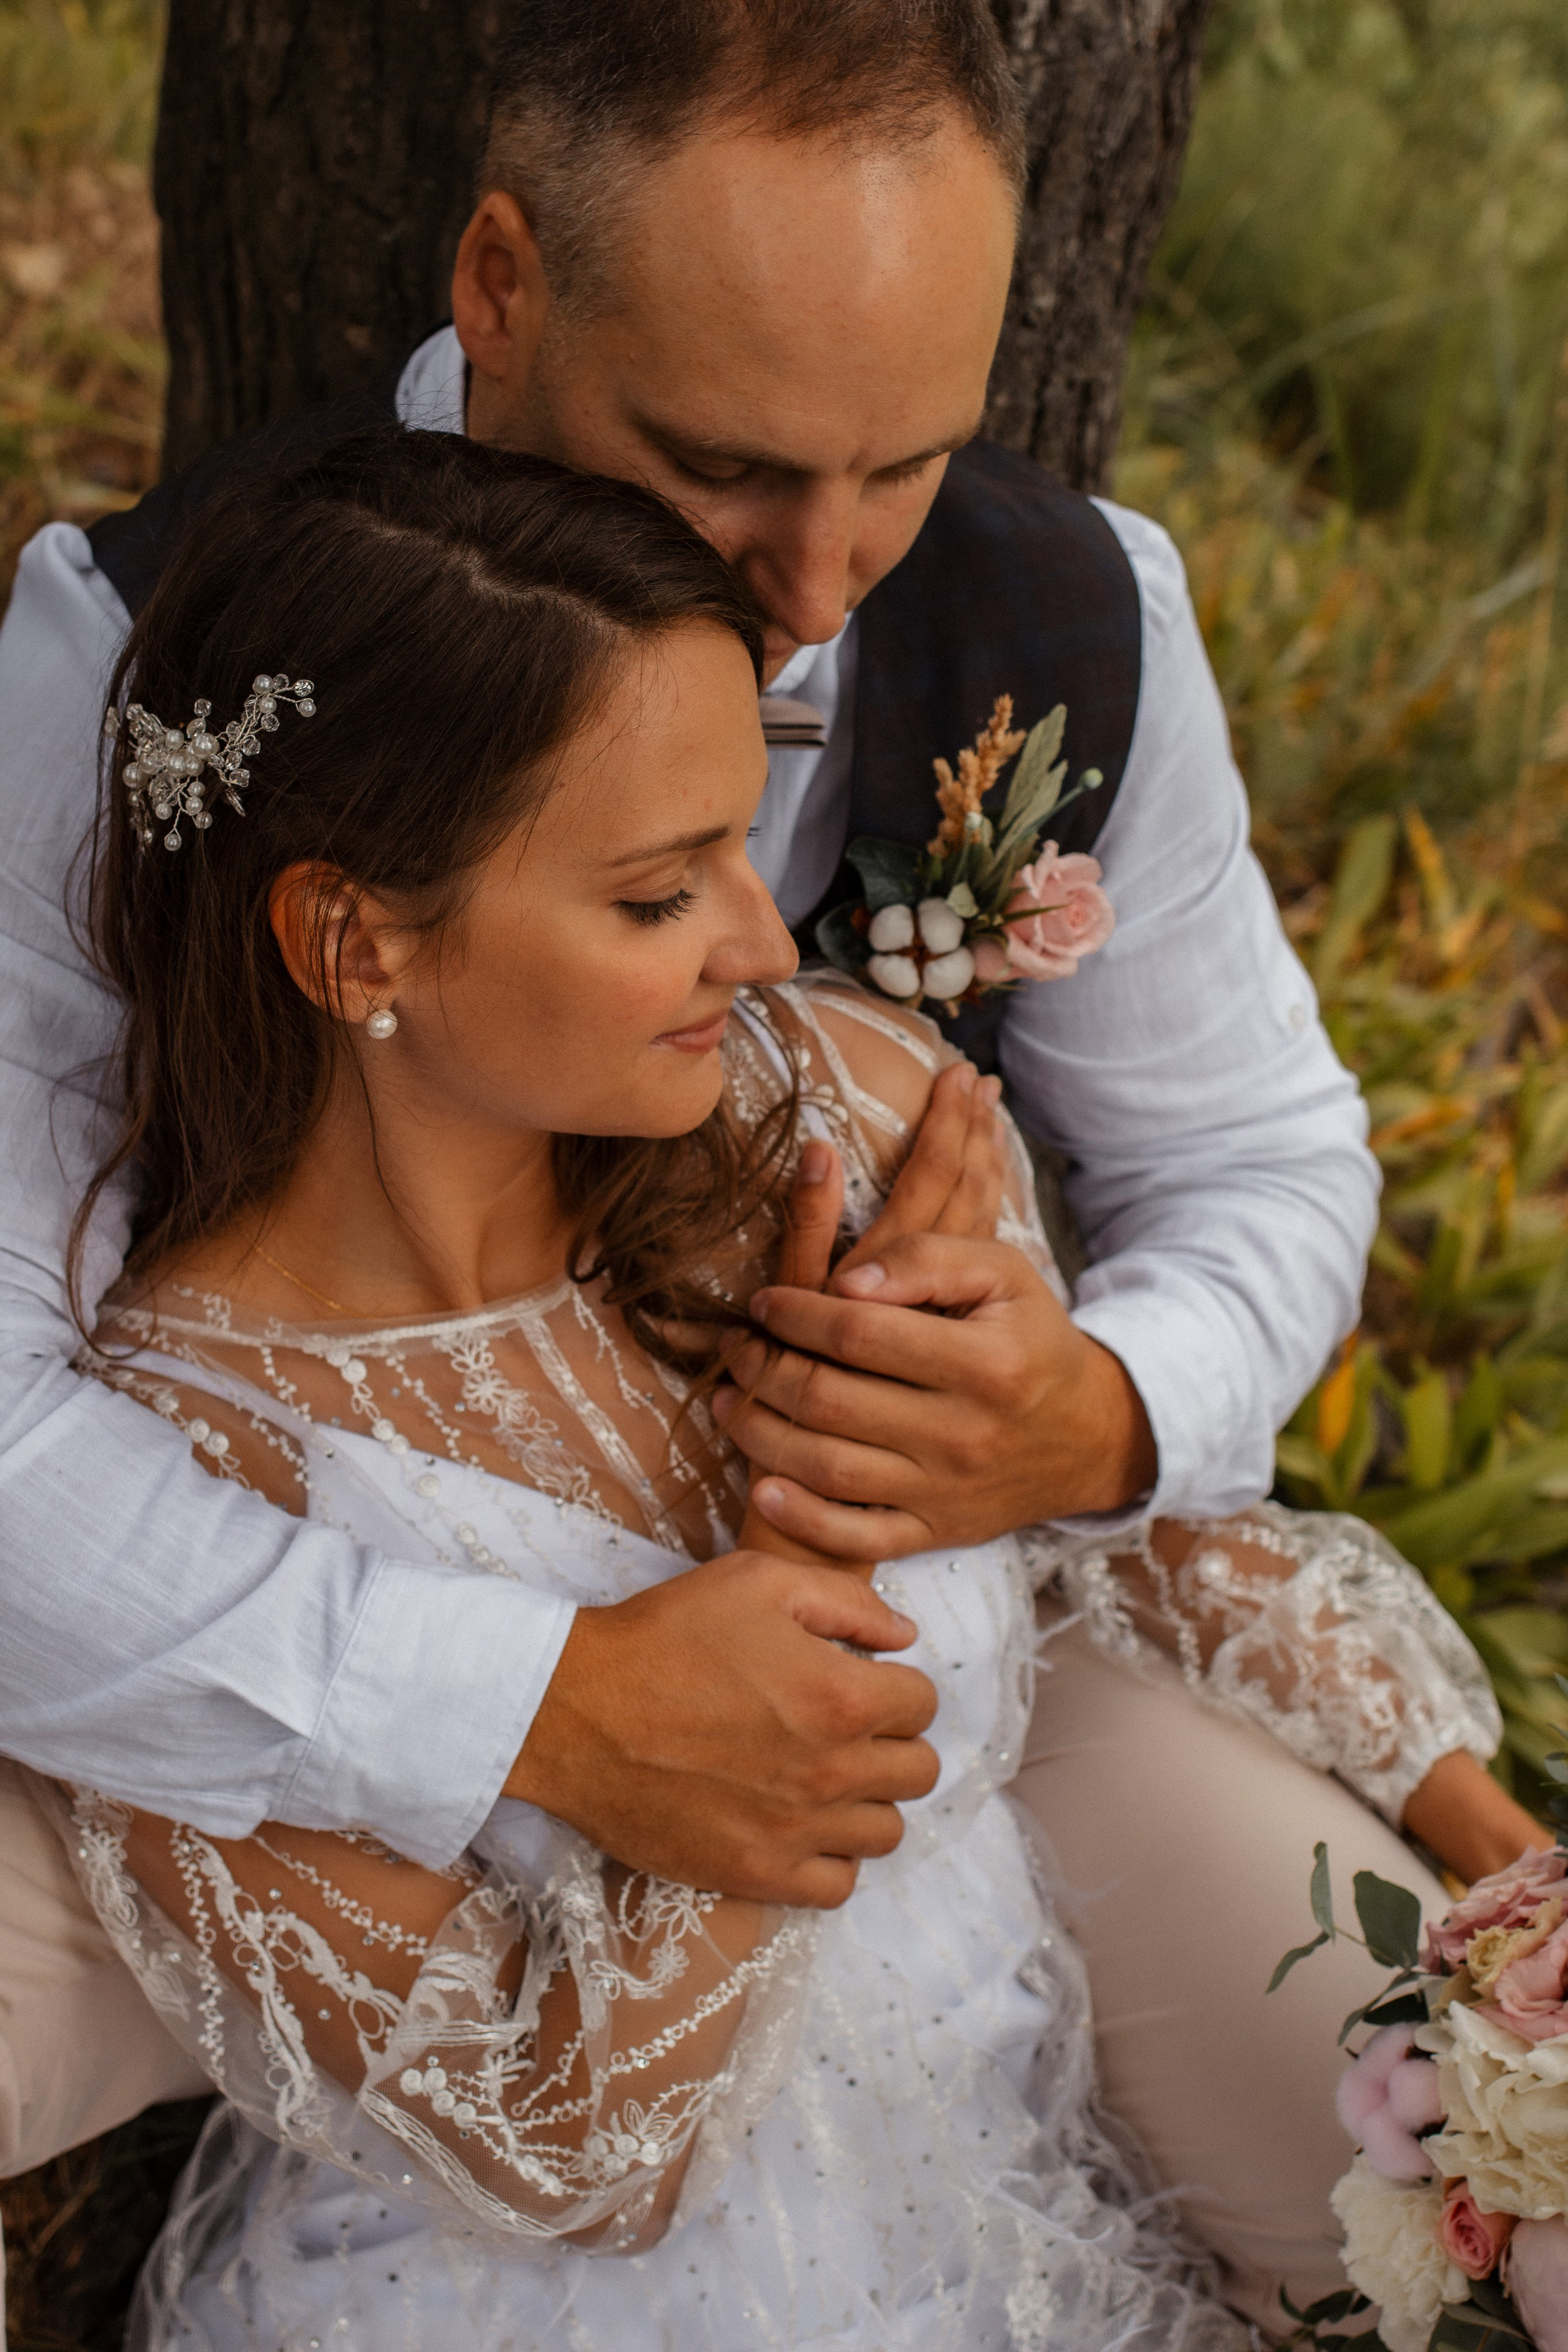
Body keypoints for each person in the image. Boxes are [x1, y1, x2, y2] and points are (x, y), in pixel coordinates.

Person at [0, 0, 1540, 2325]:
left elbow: (1259, 1162)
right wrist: (543, 1707)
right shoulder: (147, 675)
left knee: (1473, 2122)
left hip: (931, 1685)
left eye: (906, 464)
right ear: (503, 288)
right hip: (261, 1675)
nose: (828, 585)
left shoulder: (1060, 631)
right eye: (725, 465)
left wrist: (1080, 1413)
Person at [43, 423, 1258, 2351]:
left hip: (1026, 2204)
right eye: (655, 893)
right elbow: (567, 2147)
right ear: (352, 937)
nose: (767, 941)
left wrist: (1495, 1856)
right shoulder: (181, 1483)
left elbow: (1117, 1559)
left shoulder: (840, 1116)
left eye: (739, 833)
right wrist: (814, 1535)